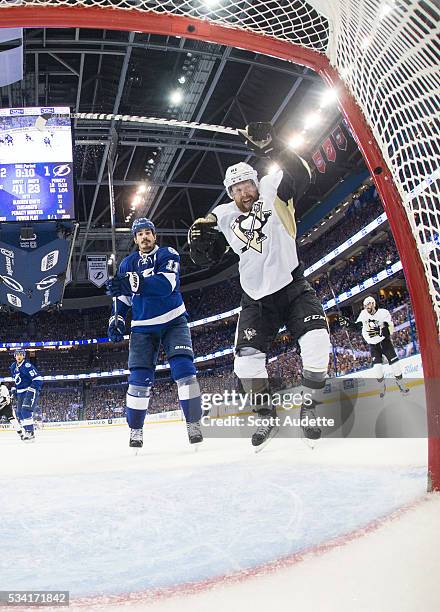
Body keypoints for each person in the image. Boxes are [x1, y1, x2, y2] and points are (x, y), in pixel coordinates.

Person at [188, 122, 331, 448]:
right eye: (236, 190)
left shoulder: (272, 188)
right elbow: (208, 255)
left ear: (255, 182)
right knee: (245, 363)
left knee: (318, 343)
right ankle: (267, 418)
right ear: (230, 194)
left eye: (246, 186)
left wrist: (273, 145)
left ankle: (308, 408)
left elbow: (303, 174)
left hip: (292, 286)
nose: (243, 193)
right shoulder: (222, 215)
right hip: (255, 298)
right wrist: (198, 247)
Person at [106, 218, 203, 449]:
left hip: (173, 320)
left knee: (185, 372)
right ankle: (136, 430)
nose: (144, 237)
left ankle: (193, 423)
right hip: (142, 327)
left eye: (148, 232)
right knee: (139, 381)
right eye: (140, 234)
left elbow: (165, 285)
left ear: (155, 236)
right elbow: (122, 299)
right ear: (135, 239)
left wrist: (132, 281)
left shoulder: (168, 254)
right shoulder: (127, 263)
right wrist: (117, 318)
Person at [340, 295, 409, 397]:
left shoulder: (383, 313)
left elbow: (390, 329)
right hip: (373, 346)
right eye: (364, 305)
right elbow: (357, 326)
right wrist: (348, 324)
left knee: (395, 365)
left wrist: (380, 331)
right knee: (377, 369)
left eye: (367, 304)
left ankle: (400, 384)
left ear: (373, 303)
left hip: (385, 342)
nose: (366, 307)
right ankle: (382, 386)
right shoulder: (363, 314)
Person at [9, 348, 43, 442]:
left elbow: (38, 378)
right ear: (14, 356)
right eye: (17, 354)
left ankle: (30, 433)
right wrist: (14, 390)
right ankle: (27, 430)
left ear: (24, 356)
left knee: (25, 411)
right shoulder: (13, 367)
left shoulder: (27, 366)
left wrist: (32, 388)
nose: (19, 356)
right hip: (20, 392)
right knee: (19, 413)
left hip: (29, 391)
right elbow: (17, 380)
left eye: (21, 354)